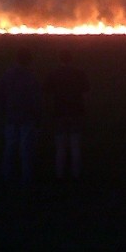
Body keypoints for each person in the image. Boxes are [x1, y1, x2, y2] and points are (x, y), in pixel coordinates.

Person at [44, 49, 90, 180]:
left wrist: (49, 109)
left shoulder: (54, 74)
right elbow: (86, 93)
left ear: (60, 59)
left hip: (59, 112)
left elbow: (47, 93)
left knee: (60, 146)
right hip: (76, 112)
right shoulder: (79, 74)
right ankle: (76, 174)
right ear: (72, 59)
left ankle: (59, 174)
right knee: (75, 145)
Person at [0, 47, 40, 187]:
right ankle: (27, 178)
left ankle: (7, 175)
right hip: (27, 116)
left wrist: (4, 110)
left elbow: (1, 95)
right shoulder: (31, 76)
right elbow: (35, 98)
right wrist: (37, 114)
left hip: (11, 116)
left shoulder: (7, 74)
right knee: (26, 148)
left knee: (10, 147)